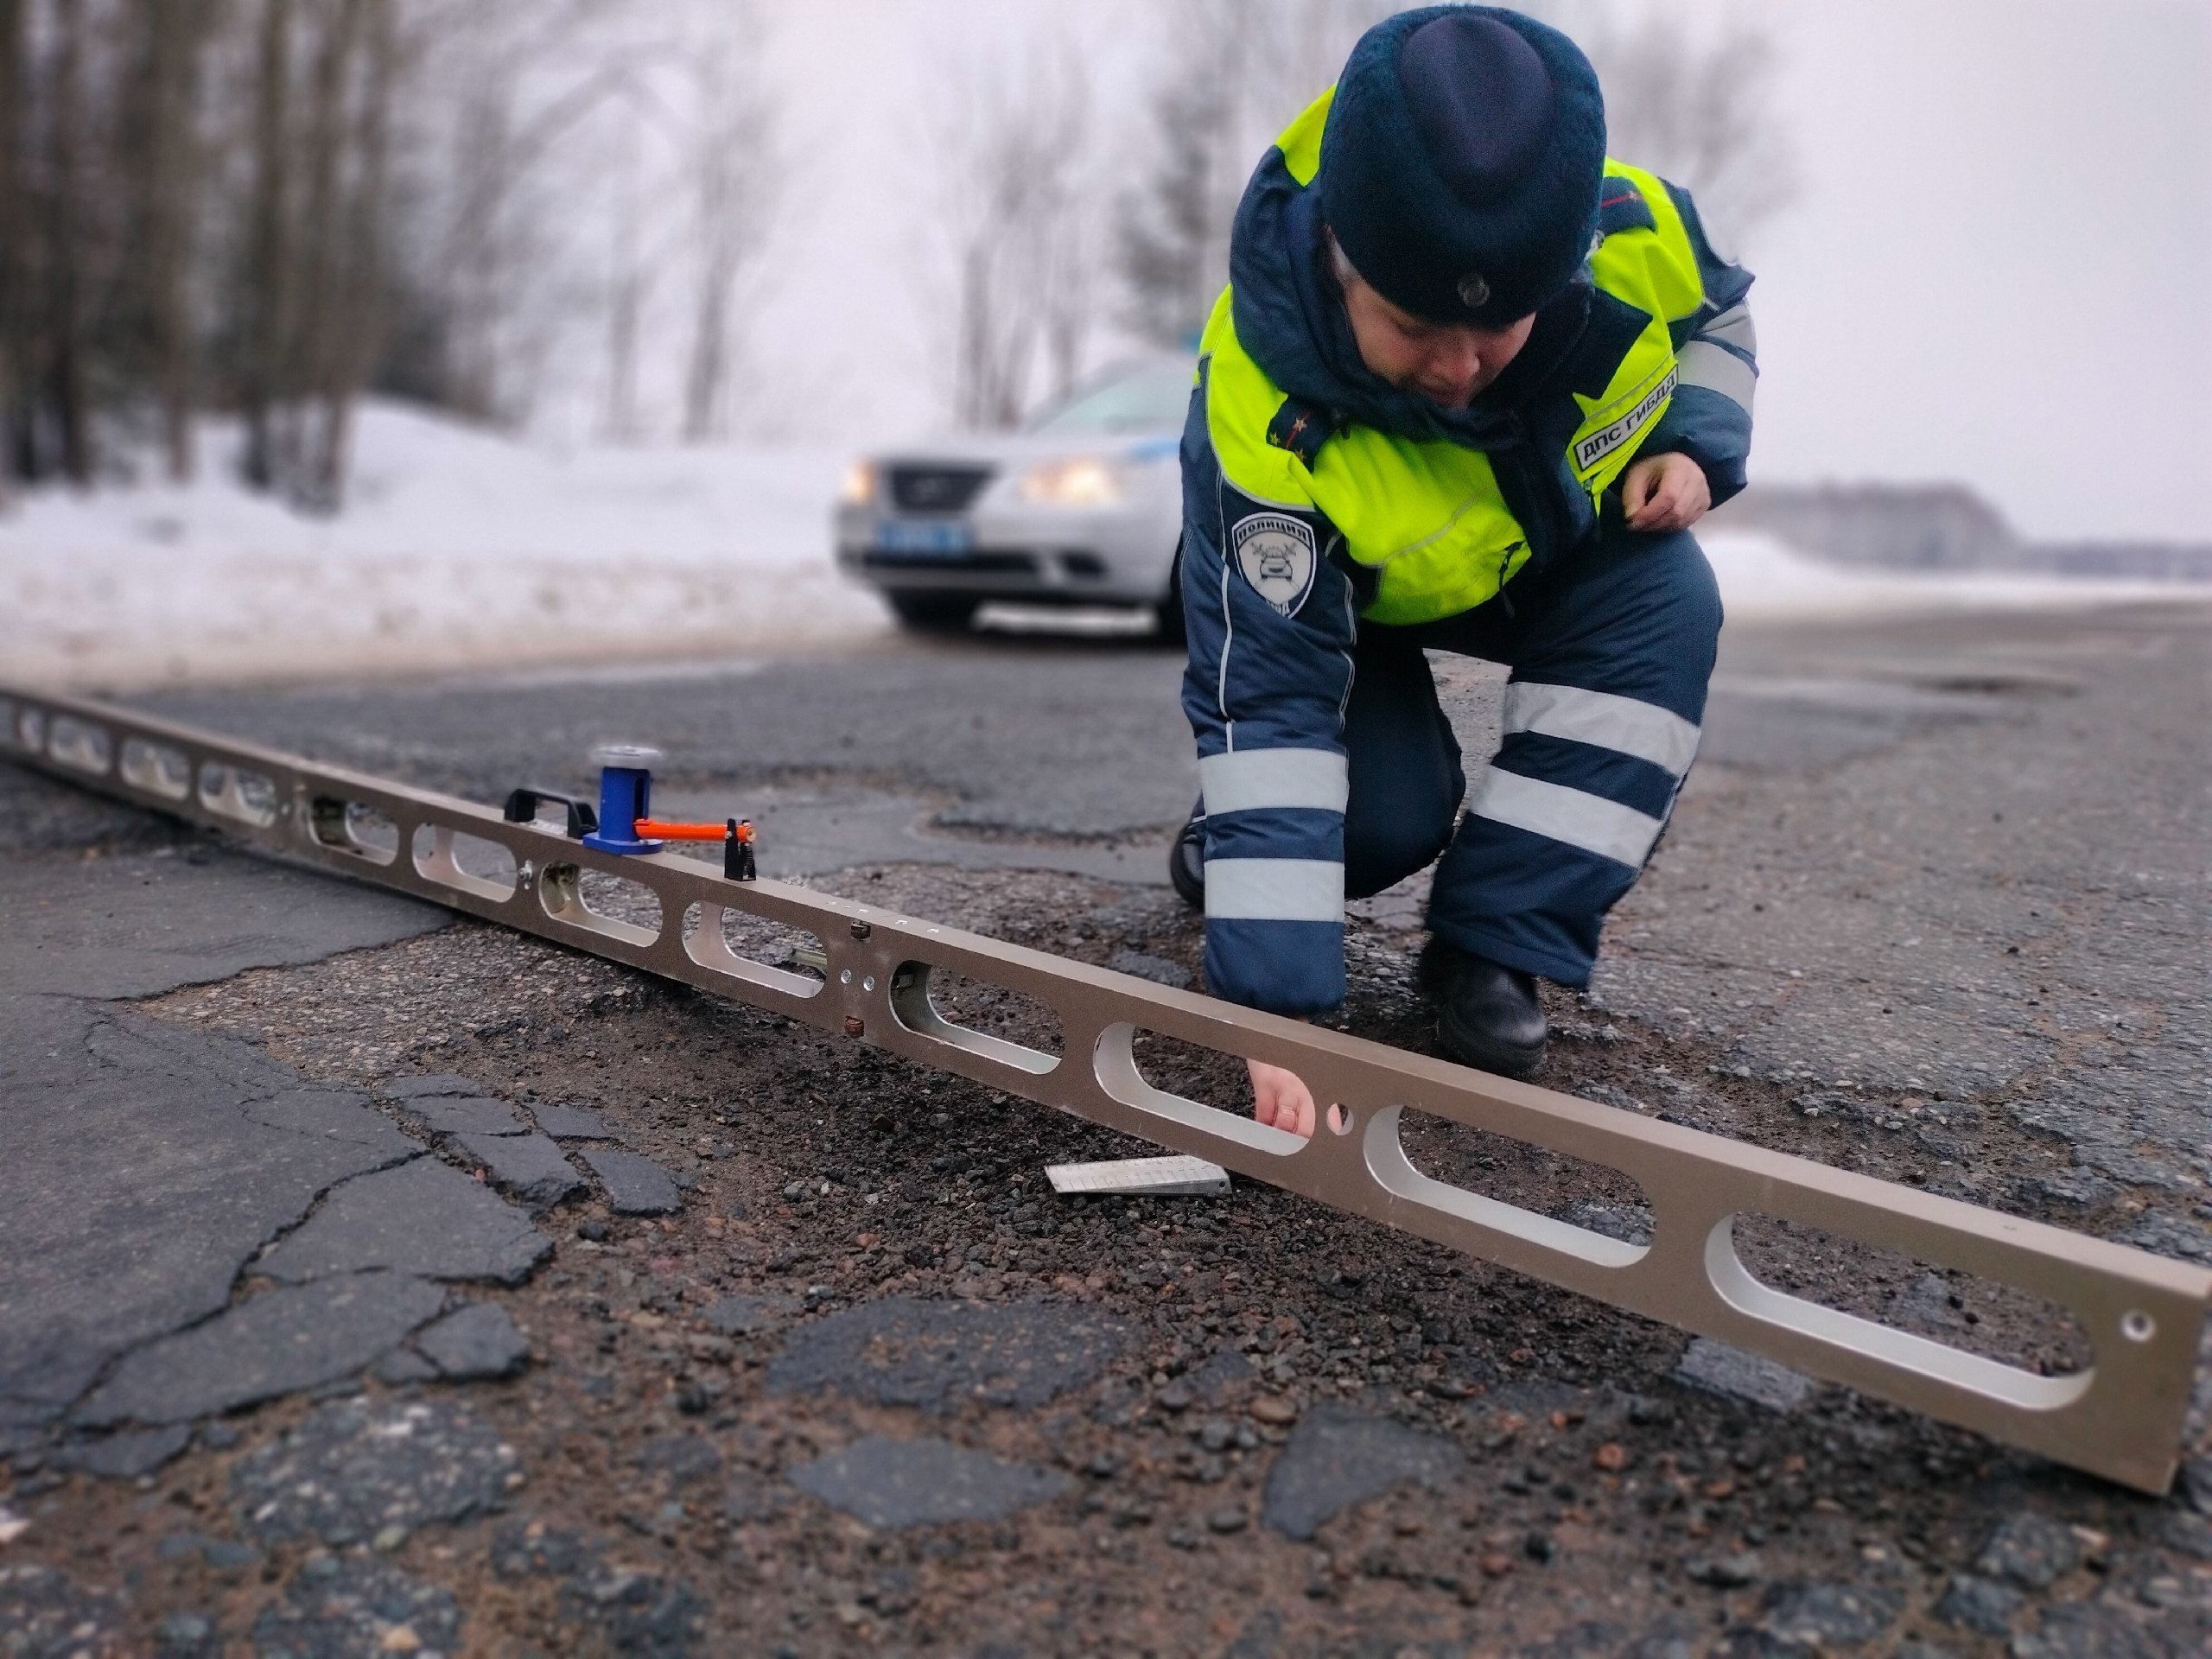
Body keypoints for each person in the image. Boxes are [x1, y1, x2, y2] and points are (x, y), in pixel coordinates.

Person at [1168, 6, 1755, 1137]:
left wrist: (1693, 440)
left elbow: (1720, 316)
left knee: (1668, 599)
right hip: (1358, 599)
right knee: (1376, 820)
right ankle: (1222, 849)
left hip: (1548, 546)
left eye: (1498, 332)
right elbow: (1271, 702)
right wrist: (1278, 1017)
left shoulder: (1634, 231)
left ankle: (1493, 947)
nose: (1458, 367)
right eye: (1413, 325)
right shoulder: (1260, 406)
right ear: (1344, 257)